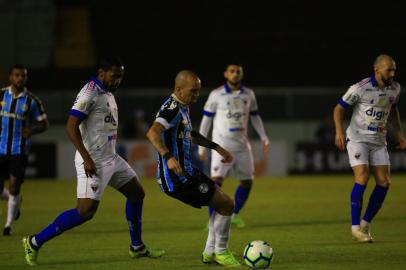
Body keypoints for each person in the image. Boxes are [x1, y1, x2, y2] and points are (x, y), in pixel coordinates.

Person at [22, 57, 164, 266]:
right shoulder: (89, 93)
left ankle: (137, 247)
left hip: (111, 158)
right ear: (101, 73)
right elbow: (70, 127)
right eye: (115, 76)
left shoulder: (107, 92)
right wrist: (87, 158)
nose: (118, 81)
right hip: (93, 161)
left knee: (137, 194)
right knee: (85, 212)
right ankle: (34, 242)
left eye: (121, 77)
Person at [146, 70, 240, 266]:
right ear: (178, 89)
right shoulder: (171, 108)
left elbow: (190, 134)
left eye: (198, 91)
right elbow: (153, 133)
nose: (196, 96)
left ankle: (209, 253)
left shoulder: (182, 106)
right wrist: (169, 157)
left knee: (220, 202)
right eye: (193, 91)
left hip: (187, 172)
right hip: (177, 179)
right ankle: (221, 253)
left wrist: (217, 147)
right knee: (227, 205)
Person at [333, 54, 406, 242]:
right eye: (389, 69)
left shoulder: (395, 88)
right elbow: (339, 108)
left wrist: (399, 133)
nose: (392, 73)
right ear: (377, 70)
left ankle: (365, 225)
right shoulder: (360, 88)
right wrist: (339, 131)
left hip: (379, 141)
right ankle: (355, 228)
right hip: (358, 139)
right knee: (363, 177)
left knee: (384, 182)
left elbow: (393, 110)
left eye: (394, 69)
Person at [198, 64, 270, 228]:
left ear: (242, 74)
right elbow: (206, 120)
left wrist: (264, 137)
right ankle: (212, 221)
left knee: (247, 182)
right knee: (215, 183)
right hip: (221, 146)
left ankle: (234, 214)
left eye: (238, 71)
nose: (235, 74)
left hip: (243, 146)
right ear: (225, 74)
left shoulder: (249, 94)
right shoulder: (216, 94)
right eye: (232, 71)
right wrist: (202, 147)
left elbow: (255, 117)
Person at [0, 65, 48, 236]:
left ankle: (8, 226)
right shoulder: (1, 95)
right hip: (0, 149)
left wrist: (31, 130)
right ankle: (16, 201)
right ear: (10, 77)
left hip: (19, 150)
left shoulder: (32, 101)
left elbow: (44, 123)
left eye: (23, 76)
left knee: (14, 186)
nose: (20, 78)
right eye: (17, 75)